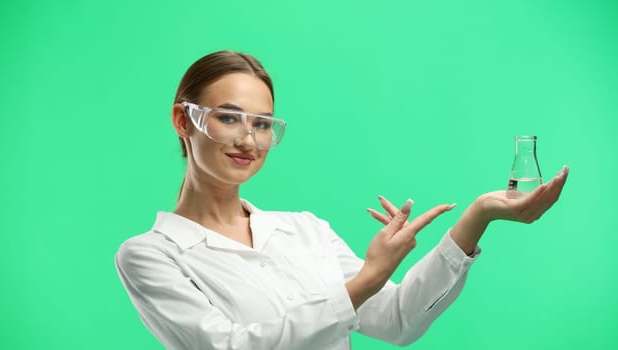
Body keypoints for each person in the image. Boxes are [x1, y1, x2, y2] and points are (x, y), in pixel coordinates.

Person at [115, 50, 569, 350]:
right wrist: (367, 278)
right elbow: (230, 346)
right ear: (183, 120)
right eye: (229, 118)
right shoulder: (150, 255)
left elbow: (398, 320)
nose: (248, 140)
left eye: (262, 123)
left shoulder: (304, 230)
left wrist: (478, 216)